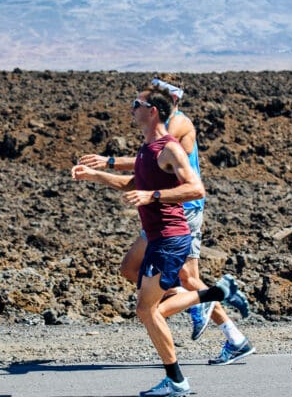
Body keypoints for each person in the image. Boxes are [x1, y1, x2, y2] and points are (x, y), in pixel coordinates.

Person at [72, 86, 247, 397]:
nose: (131, 108)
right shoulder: (146, 148)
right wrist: (94, 176)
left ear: (152, 110)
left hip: (171, 236)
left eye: (136, 104)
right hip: (157, 238)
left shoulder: (170, 148)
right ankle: (220, 292)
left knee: (147, 309)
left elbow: (196, 189)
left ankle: (178, 381)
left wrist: (153, 196)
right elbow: (132, 183)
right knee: (146, 303)